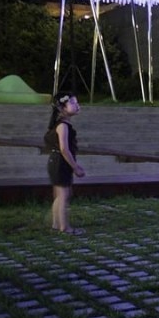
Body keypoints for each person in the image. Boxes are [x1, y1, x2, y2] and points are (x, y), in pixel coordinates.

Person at [44, 91, 86, 233]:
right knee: (63, 196)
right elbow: (64, 149)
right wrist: (75, 167)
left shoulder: (61, 124)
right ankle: (65, 227)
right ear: (62, 109)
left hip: (56, 161)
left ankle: (56, 224)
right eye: (73, 103)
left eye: (77, 102)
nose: (77, 105)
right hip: (60, 162)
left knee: (60, 195)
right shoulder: (63, 126)